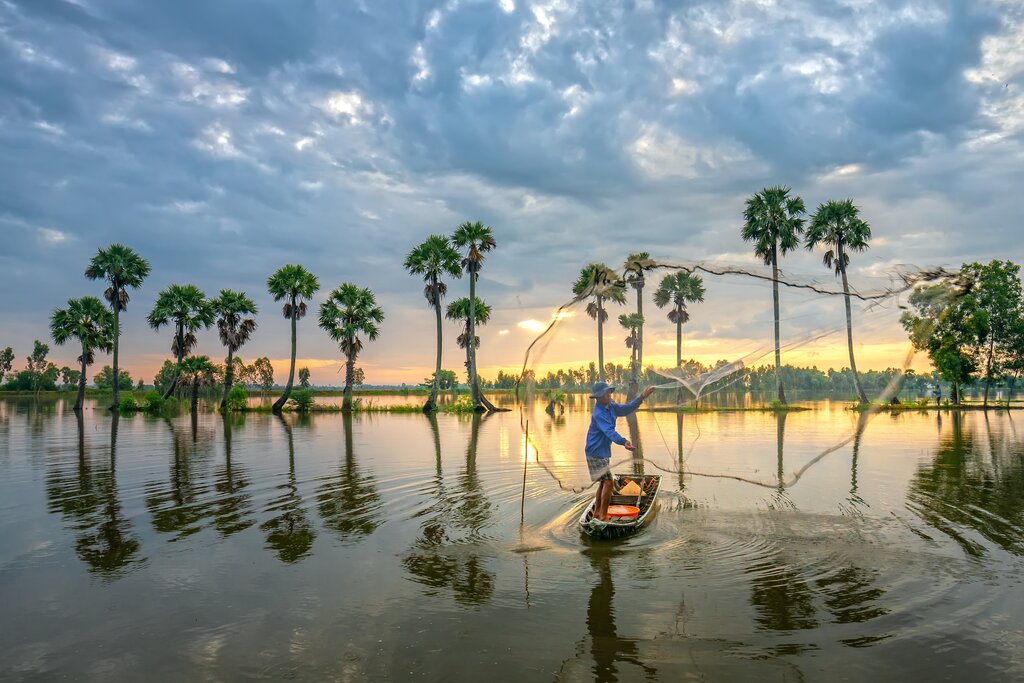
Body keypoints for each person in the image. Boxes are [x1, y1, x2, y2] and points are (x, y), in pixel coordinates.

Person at [585, 381, 656, 522]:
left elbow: (626, 408)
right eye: (606, 393)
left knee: (603, 482)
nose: (609, 394)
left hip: (602, 452)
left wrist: (642, 396)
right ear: (599, 397)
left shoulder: (610, 407)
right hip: (595, 452)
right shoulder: (599, 413)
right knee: (609, 482)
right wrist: (624, 441)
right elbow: (609, 432)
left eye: (609, 392)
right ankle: (603, 517)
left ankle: (597, 514)